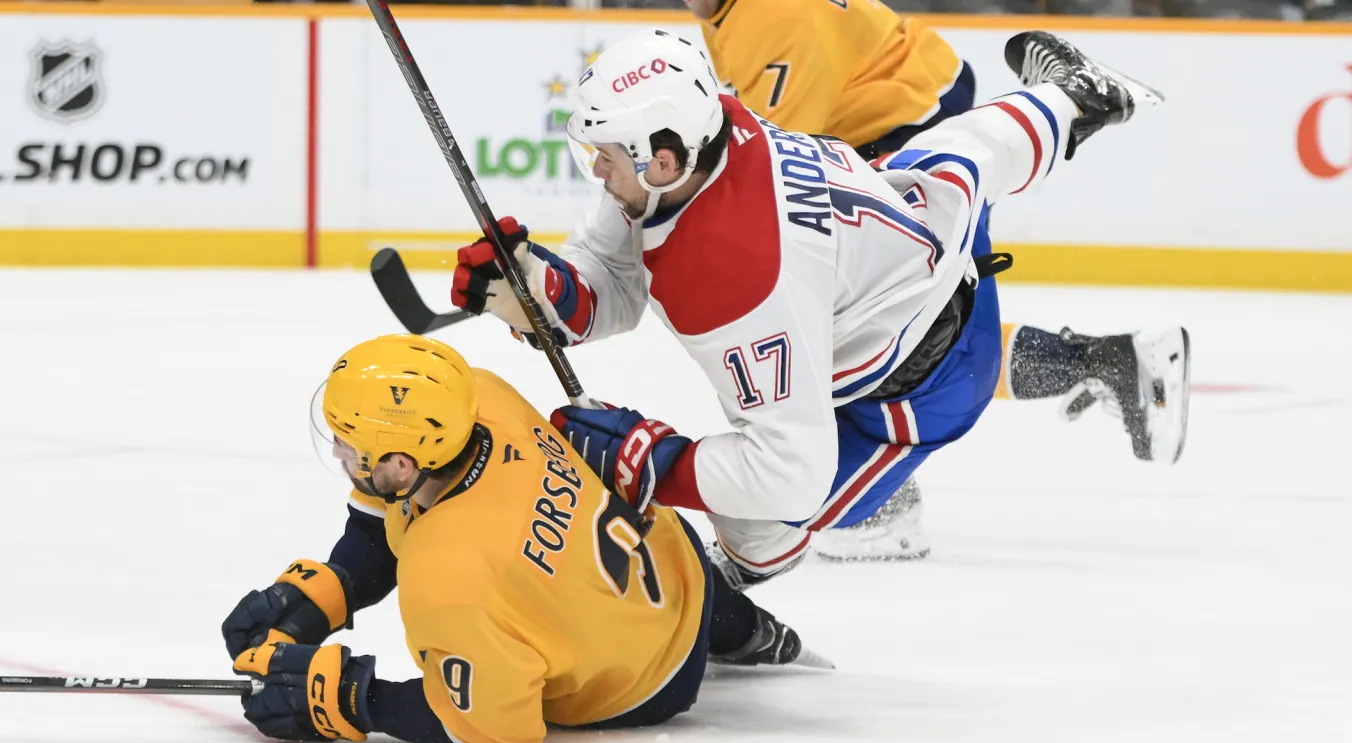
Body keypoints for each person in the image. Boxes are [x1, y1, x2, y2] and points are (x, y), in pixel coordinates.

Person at [447, 30, 1180, 587]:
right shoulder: (713, 124)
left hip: (914, 389)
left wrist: (650, 460)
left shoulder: (731, 276)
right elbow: (612, 268)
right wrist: (546, 290)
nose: (596, 169)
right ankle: (1073, 98)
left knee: (763, 523)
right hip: (912, 212)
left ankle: (727, 594)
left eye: (604, 153)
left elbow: (789, 472)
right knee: (964, 153)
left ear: (666, 160)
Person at [221, 333, 825, 743]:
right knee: (695, 600)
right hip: (678, 565)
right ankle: (753, 633)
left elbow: (492, 729)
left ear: (402, 464)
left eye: (349, 444)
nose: (337, 452)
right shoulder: (480, 397)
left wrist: (354, 697)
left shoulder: (448, 573)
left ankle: (748, 634)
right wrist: (334, 588)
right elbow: (386, 514)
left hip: (640, 686)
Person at [685, 0, 1192, 477]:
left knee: (923, 335)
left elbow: (773, 171)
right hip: (905, 114)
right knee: (910, 331)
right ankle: (1107, 361)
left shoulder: (770, 20)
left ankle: (1115, 361)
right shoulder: (736, 13)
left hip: (903, 131)